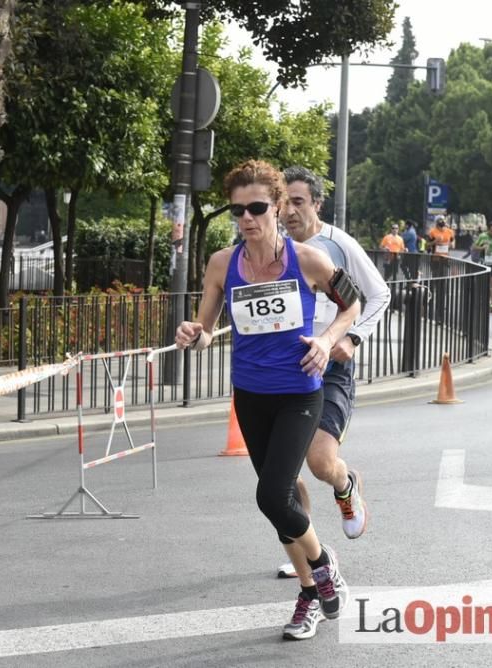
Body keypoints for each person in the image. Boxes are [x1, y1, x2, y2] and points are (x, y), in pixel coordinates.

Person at [175, 160, 360, 641]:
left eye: (257, 208)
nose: (247, 219)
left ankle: (323, 566)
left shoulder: (309, 260)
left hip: (299, 392)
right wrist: (193, 333)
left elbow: (353, 302)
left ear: (277, 207)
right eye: (237, 211)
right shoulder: (222, 264)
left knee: (270, 493)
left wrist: (327, 339)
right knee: (283, 501)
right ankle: (308, 593)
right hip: (250, 396)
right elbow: (206, 331)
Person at [278, 165, 390, 578]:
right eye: (282, 202)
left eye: (298, 202)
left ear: (317, 204)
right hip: (283, 369)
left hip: (330, 369)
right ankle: (307, 547)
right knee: (282, 474)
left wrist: (352, 338)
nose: (288, 211)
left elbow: (378, 293)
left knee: (321, 464)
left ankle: (346, 487)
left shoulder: (338, 245)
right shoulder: (271, 249)